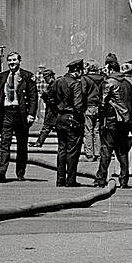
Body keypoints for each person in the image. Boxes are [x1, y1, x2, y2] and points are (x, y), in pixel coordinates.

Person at [0, 51, 38, 182]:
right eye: (9, 61)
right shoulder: (3, 76)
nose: (11, 63)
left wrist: (31, 114)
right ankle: (1, 171)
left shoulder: (27, 76)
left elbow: (33, 97)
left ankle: (20, 172)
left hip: (21, 114)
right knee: (4, 143)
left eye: (14, 60)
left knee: (22, 145)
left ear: (19, 61)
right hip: (6, 113)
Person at [94, 59, 132, 188]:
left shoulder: (108, 82)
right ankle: (124, 180)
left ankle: (101, 179)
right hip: (125, 121)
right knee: (122, 151)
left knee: (106, 150)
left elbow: (102, 103)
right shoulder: (128, 84)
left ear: (111, 69)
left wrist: (100, 120)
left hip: (111, 121)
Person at [48, 59, 85, 187]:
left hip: (60, 118)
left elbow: (49, 99)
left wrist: (57, 111)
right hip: (72, 118)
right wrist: (80, 117)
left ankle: (60, 178)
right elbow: (78, 105)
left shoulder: (57, 81)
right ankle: (71, 179)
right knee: (73, 151)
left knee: (61, 149)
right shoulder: (75, 84)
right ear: (77, 70)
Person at [81, 60, 105, 161]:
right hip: (98, 106)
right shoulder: (102, 78)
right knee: (97, 131)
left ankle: (89, 154)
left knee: (88, 131)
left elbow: (83, 92)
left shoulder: (85, 79)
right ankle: (98, 153)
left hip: (88, 106)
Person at [30, 68, 57, 147]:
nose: (45, 80)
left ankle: (39, 143)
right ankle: (39, 142)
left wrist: (45, 96)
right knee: (48, 128)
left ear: (50, 76)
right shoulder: (53, 84)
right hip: (52, 110)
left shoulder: (53, 85)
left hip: (52, 110)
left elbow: (52, 99)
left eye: (46, 78)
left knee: (46, 127)